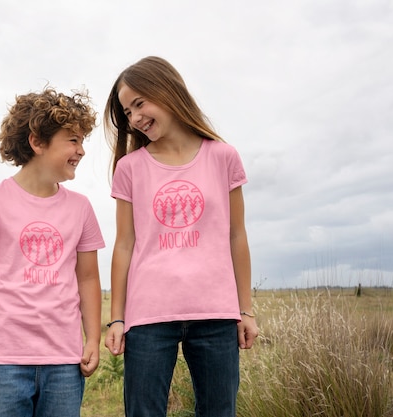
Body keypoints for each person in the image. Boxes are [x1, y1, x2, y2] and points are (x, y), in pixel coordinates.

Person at [103, 56, 259, 417]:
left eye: (140, 103)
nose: (135, 118)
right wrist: (117, 318)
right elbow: (124, 244)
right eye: (128, 112)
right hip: (148, 315)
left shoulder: (223, 157)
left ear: (169, 91)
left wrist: (245, 308)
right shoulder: (130, 168)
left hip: (216, 313)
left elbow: (237, 235)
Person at [0, 86, 104, 417]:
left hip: (64, 361)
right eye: (73, 140)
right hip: (0, 363)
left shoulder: (81, 208)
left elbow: (88, 278)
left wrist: (92, 339)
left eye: (82, 140)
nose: (82, 150)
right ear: (37, 142)